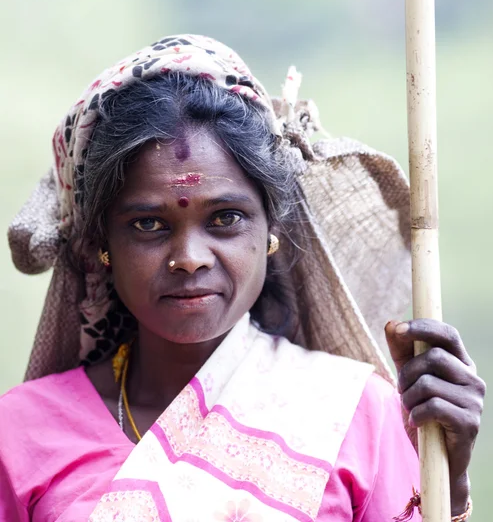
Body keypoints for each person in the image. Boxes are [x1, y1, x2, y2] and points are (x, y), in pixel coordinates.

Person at [1, 35, 485, 522]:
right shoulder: (21, 432)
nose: (189, 259)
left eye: (226, 218)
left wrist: (450, 484)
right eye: (148, 224)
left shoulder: (358, 415)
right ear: (102, 245)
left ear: (271, 229)